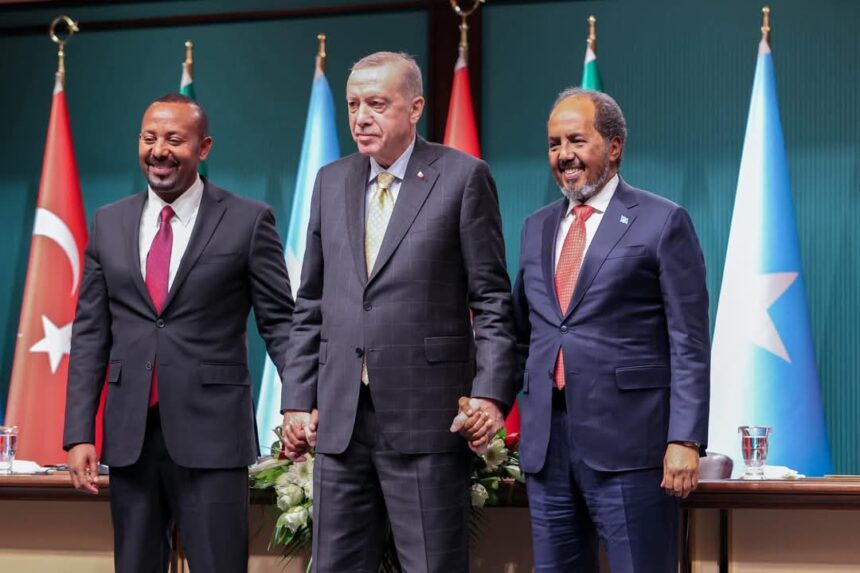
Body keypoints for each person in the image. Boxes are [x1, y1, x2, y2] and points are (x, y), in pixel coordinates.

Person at [279, 51, 517, 573]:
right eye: (353, 105)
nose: (361, 117)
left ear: (415, 108)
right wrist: (296, 399)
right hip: (340, 420)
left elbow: (492, 300)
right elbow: (311, 301)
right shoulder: (330, 181)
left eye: (376, 104)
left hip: (428, 417)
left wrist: (490, 395)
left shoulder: (462, 177)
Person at [63, 93, 294, 573]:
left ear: (203, 148)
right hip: (131, 438)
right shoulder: (108, 222)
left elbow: (280, 325)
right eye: (149, 138)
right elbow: (89, 334)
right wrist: (78, 432)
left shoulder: (249, 220)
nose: (159, 151)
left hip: (214, 435)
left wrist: (299, 403)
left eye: (174, 139)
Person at [511, 87, 710, 573]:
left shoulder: (662, 221)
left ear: (614, 146)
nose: (564, 155)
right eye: (554, 144)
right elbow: (523, 333)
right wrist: (490, 402)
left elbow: (689, 343)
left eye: (576, 140)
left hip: (632, 450)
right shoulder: (536, 227)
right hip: (547, 449)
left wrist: (685, 439)